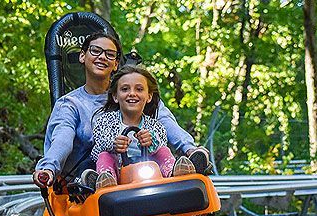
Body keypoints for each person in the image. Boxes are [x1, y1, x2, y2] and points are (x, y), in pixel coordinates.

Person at [32, 32, 209, 189]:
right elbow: (62, 140)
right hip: (90, 173)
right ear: (82, 56)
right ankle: (96, 180)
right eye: (95, 51)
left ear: (116, 63)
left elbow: (166, 124)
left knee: (163, 152)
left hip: (142, 170)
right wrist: (48, 168)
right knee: (101, 159)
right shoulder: (70, 104)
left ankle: (182, 166)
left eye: (110, 54)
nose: (102, 57)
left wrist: (188, 148)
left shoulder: (133, 93)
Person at [87, 65, 196, 189]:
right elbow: (98, 145)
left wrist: (151, 141)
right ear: (115, 96)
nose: (132, 94)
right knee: (104, 156)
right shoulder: (105, 121)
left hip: (148, 170)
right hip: (120, 170)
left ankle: (173, 172)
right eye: (125, 89)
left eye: (139, 89)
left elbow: (161, 143)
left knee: (163, 151)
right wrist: (114, 144)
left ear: (149, 96)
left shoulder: (155, 125)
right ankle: (106, 179)